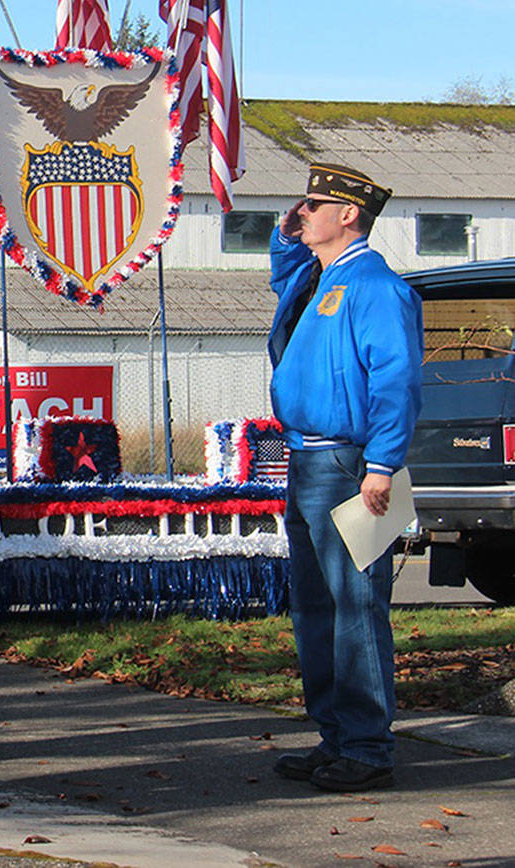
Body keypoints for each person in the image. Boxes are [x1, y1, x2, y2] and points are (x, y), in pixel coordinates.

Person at [267, 163, 422, 792]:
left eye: (312, 205)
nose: (300, 213)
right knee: (314, 608)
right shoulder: (322, 278)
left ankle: (366, 747)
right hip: (307, 460)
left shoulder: (373, 286)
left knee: (355, 608)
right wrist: (286, 236)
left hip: (348, 464)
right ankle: (335, 737)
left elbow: (396, 379)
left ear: (348, 214)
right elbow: (285, 279)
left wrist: (382, 463)